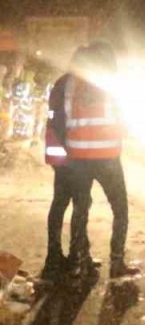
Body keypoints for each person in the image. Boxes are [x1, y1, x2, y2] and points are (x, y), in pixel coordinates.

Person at [64, 42, 140, 281]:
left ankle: (81, 260)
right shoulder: (111, 84)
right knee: (120, 210)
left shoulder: (71, 84)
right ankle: (116, 262)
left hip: (78, 159)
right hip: (106, 158)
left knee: (80, 210)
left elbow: (65, 116)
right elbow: (124, 121)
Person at [40, 48, 96, 280]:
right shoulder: (82, 86)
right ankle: (78, 256)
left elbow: (55, 118)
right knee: (81, 202)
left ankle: (54, 256)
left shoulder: (61, 83)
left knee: (60, 202)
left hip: (59, 151)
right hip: (74, 153)